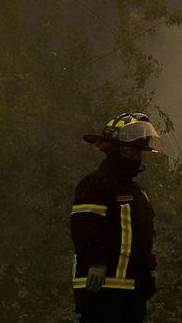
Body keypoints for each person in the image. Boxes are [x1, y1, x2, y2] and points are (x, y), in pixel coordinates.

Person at [71, 112, 162, 323]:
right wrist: (96, 262)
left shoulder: (138, 192)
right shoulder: (96, 184)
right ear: (114, 148)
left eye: (139, 151)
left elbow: (143, 235)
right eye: (131, 149)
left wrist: (150, 267)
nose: (136, 156)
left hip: (132, 292)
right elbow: (85, 227)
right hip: (102, 289)